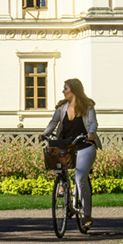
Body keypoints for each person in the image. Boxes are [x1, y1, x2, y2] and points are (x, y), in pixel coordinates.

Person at [42, 78, 98, 230]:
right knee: (55, 157)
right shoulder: (61, 107)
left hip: (84, 145)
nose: (63, 91)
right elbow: (53, 123)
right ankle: (62, 185)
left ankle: (86, 215)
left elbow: (93, 122)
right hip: (66, 145)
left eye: (65, 88)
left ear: (73, 90)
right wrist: (45, 133)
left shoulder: (87, 106)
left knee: (80, 178)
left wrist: (91, 133)